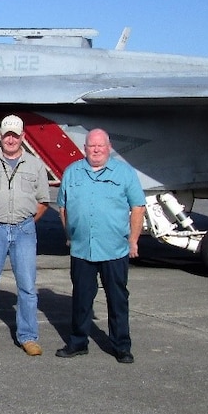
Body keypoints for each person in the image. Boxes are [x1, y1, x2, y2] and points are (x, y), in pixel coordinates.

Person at [56, 128, 146, 364]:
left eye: (100, 146)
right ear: (85, 148)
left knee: (117, 299)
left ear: (108, 147)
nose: (96, 150)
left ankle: (121, 346)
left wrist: (133, 239)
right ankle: (78, 343)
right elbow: (63, 208)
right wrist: (70, 235)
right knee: (81, 298)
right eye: (91, 146)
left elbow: (138, 206)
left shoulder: (125, 173)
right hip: (82, 249)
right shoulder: (72, 172)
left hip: (114, 249)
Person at [0, 115, 50, 356]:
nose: (11, 139)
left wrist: (25, 221)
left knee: (27, 287)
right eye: (7, 135)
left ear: (23, 137)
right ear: (1, 137)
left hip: (24, 230)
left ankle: (28, 337)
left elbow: (43, 201)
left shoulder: (35, 166)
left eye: (16, 135)